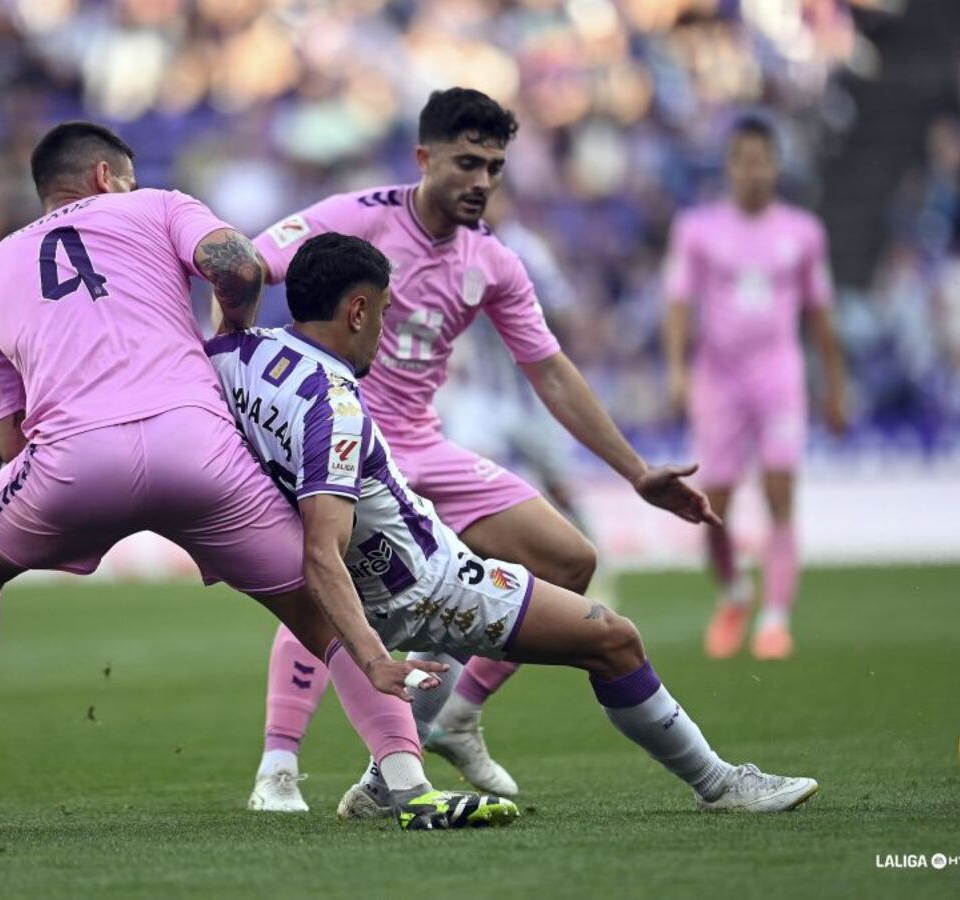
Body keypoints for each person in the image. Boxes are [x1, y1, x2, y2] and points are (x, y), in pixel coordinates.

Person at [0, 121, 510, 834]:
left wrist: (11, 438)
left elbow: (7, 441)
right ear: (104, 178)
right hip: (198, 448)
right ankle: (407, 783)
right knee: (321, 609)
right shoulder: (154, 204)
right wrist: (231, 330)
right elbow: (238, 263)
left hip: (74, 465)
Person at [209, 231, 820, 819]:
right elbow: (324, 549)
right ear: (359, 310)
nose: (387, 332)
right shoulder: (334, 402)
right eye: (386, 313)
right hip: (429, 581)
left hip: (382, 583)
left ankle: (379, 779)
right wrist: (372, 659)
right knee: (613, 640)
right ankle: (719, 785)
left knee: (543, 577)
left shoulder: (237, 356)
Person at [243, 88, 722, 812]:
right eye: (467, 162)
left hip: (425, 445)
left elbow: (551, 372)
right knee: (326, 575)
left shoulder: (494, 262)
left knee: (571, 561)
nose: (481, 182)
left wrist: (635, 472)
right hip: (341, 441)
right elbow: (250, 264)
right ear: (423, 158)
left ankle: (455, 716)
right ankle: (278, 767)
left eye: (495, 167)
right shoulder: (356, 215)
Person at [663, 116, 848, 661]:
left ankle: (774, 618)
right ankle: (735, 593)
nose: (753, 170)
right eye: (743, 160)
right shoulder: (697, 229)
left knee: (779, 494)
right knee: (711, 503)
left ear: (775, 164)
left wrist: (836, 385)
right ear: (730, 165)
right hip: (717, 379)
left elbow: (820, 315)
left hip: (779, 375)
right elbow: (678, 304)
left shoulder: (804, 232)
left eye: (762, 159)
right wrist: (676, 368)